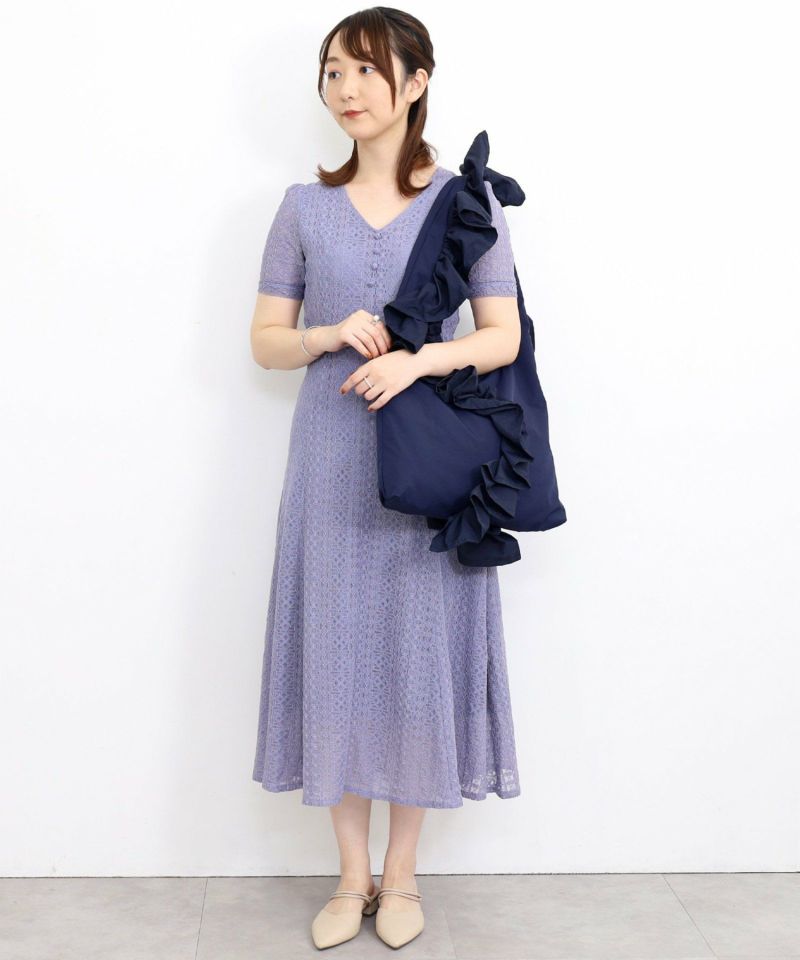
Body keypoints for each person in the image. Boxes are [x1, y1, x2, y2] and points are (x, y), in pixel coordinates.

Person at [250, 8, 523, 950]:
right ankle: (350, 876)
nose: (347, 89)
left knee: (416, 654)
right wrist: (328, 334)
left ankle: (402, 876)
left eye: (367, 70)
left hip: (430, 462)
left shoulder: (465, 202)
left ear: (416, 82)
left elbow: (501, 335)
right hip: (329, 459)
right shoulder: (302, 207)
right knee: (334, 651)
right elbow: (266, 341)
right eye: (333, 71)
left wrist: (417, 361)